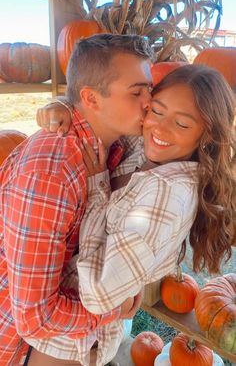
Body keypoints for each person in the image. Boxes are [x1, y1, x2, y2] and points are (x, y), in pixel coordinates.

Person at [30, 64, 236, 366]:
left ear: (206, 135)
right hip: (62, 308)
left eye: (182, 124)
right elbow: (101, 110)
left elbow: (99, 296)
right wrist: (61, 106)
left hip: (73, 339)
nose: (160, 129)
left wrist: (99, 185)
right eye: (156, 110)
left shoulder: (166, 198)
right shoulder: (148, 149)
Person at [0, 33, 155, 365]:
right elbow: (35, 318)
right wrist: (112, 311)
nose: (149, 102)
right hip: (23, 346)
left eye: (150, 90)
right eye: (136, 91)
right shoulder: (52, 174)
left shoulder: (115, 141)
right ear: (92, 99)